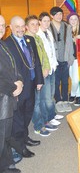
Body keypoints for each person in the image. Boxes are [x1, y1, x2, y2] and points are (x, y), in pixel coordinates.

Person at [5, 16, 43, 158]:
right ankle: (20, 146)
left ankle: (25, 137)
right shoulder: (7, 44)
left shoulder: (29, 39)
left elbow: (36, 61)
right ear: (11, 27)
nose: (21, 29)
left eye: (22, 26)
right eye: (17, 26)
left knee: (28, 112)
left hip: (32, 83)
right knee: (18, 117)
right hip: (19, 87)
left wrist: (39, 79)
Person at [25, 15, 58, 137]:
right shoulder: (26, 40)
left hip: (43, 73)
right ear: (26, 27)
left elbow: (44, 55)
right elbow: (32, 62)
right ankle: (38, 126)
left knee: (44, 100)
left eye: (36, 24)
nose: (35, 26)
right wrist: (39, 75)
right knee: (37, 102)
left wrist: (47, 68)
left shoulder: (37, 38)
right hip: (34, 77)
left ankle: (45, 121)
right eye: (32, 24)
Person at [0, 15, 23, 173]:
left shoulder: (3, 43)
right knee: (1, 136)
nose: (1, 28)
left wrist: (20, 81)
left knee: (5, 135)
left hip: (9, 98)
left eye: (2, 25)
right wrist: (12, 88)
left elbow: (15, 66)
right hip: (3, 97)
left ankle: (6, 164)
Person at [37, 12, 63, 127]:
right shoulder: (38, 35)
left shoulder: (48, 32)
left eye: (48, 21)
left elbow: (52, 50)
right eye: (44, 21)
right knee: (46, 96)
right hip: (45, 70)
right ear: (39, 22)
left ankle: (52, 113)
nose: (47, 23)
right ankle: (49, 117)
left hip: (52, 67)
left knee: (52, 93)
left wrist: (55, 64)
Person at [49, 7, 74, 109]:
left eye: (60, 14)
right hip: (54, 60)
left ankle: (65, 99)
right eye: (56, 14)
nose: (59, 16)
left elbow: (70, 43)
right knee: (55, 82)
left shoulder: (67, 26)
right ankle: (58, 100)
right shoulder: (48, 27)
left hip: (65, 58)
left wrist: (70, 57)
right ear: (52, 16)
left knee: (65, 81)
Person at [67, 12, 80, 106]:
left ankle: (74, 95)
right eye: (71, 19)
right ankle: (76, 95)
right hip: (68, 58)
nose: (73, 21)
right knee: (72, 78)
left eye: (75, 19)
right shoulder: (66, 30)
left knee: (76, 80)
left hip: (79, 58)